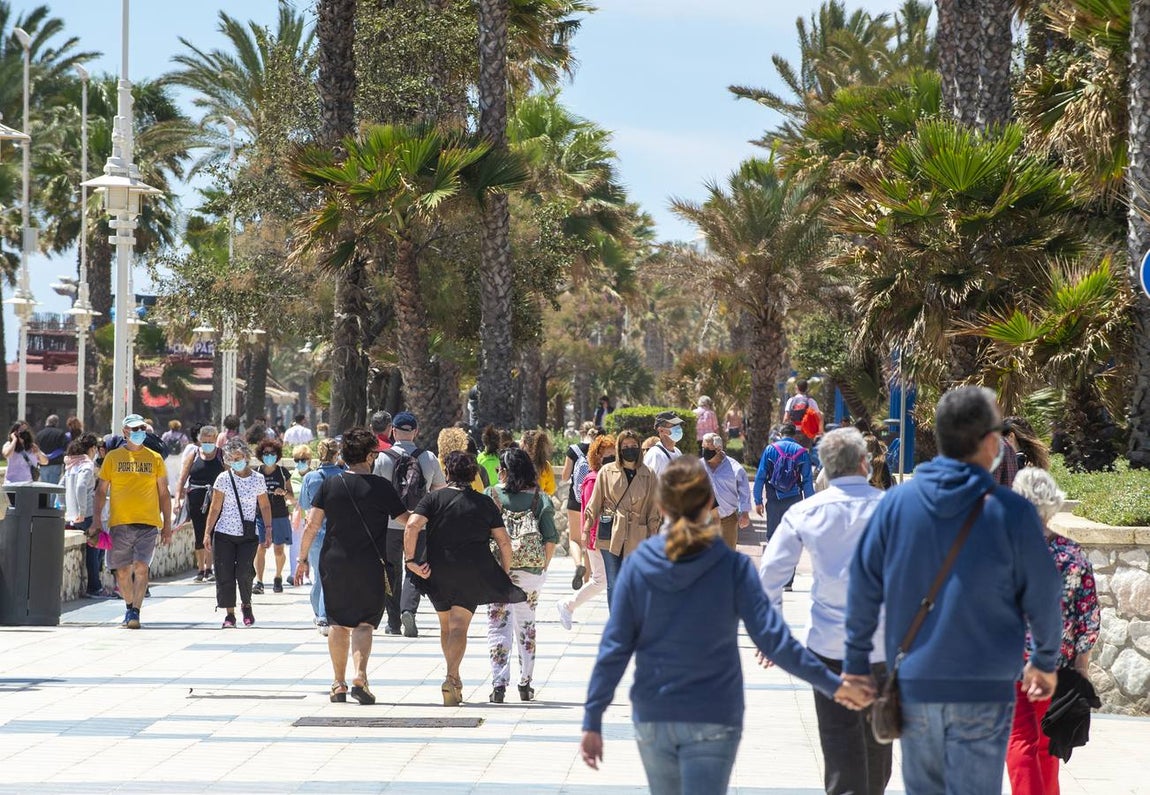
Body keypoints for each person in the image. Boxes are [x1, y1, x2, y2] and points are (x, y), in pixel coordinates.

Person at [580, 457, 874, 795]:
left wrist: (593, 718)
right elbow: (775, 641)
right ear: (709, 503)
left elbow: (614, 649)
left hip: (655, 715)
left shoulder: (638, 567)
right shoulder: (732, 567)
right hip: (714, 714)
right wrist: (834, 685)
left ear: (660, 506)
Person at [844, 386, 1063, 795]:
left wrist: (857, 663)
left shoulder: (896, 504)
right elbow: (1045, 591)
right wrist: (1045, 660)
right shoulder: (1012, 513)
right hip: (984, 689)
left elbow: (862, 585)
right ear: (989, 442)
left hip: (916, 683)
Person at [759, 428, 891, 795]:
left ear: (824, 469)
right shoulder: (893, 509)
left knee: (840, 750)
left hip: (828, 650)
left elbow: (770, 574)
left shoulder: (806, 511)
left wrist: (772, 632)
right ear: (865, 463)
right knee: (878, 752)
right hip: (882, 648)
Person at [294, 427, 410, 704]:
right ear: (370, 456)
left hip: (335, 562)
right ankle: (360, 675)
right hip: (370, 562)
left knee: (337, 622)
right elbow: (408, 521)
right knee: (364, 624)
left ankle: (338, 683)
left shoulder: (329, 485)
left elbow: (312, 525)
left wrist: (301, 560)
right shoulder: (381, 487)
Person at [404, 451, 526, 706]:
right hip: (472, 571)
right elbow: (503, 541)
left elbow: (412, 525)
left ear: (447, 472)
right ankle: (451, 677)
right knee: (459, 626)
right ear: (473, 474)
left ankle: (454, 676)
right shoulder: (484, 503)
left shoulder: (433, 498)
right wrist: (504, 571)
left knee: (446, 626)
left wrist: (410, 560)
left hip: (437, 570)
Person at [1007, 467, 1100, 795]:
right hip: (1057, 663)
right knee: (1047, 740)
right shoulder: (1073, 555)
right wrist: (1081, 667)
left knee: (1019, 739)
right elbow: (1088, 617)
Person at [485, 447, 558, 703]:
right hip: (530, 572)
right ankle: (525, 684)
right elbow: (550, 539)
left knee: (498, 627)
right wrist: (542, 568)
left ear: (504, 471)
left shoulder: (491, 495)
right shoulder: (541, 498)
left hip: (497, 571)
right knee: (526, 626)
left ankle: (498, 685)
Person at [92, 414, 173, 630]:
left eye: (141, 428)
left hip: (148, 523)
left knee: (141, 568)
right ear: (125, 431)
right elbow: (100, 491)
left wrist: (167, 525)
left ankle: (135, 611)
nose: (138, 431)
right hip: (120, 523)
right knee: (123, 571)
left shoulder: (155, 458)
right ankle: (129, 607)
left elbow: (164, 494)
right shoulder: (113, 458)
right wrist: (96, 521)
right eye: (134, 428)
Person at [374, 411, 446, 637]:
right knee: (415, 568)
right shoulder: (428, 458)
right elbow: (439, 490)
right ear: (415, 431)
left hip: (390, 525)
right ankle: (409, 611)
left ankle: (393, 621)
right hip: (420, 525)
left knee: (391, 570)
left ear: (393, 431)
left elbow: (374, 493)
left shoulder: (382, 458)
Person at [582, 429, 661, 608]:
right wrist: (586, 529)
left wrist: (654, 534)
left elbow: (653, 508)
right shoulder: (606, 472)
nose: (630, 449)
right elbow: (594, 503)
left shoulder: (648, 474)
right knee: (614, 583)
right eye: (625, 446)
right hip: (611, 532)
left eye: (633, 446)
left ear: (640, 448)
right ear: (619, 448)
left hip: (638, 535)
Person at [204, 437, 273, 628]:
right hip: (224, 533)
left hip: (247, 534)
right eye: (232, 458)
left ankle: (247, 605)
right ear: (228, 460)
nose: (237, 461)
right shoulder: (223, 479)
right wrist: (207, 532)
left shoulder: (258, 479)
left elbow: (265, 506)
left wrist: (268, 530)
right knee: (224, 573)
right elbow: (215, 508)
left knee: (244, 571)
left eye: (240, 457)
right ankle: (230, 614)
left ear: (246, 457)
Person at [556, 433, 615, 630]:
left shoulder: (610, 476)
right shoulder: (593, 479)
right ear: (597, 456)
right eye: (608, 455)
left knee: (606, 579)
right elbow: (590, 511)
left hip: (610, 536)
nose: (612, 459)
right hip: (599, 537)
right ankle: (568, 605)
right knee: (601, 580)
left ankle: (569, 605)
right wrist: (590, 536)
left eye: (614, 455)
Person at [299, 438, 343, 635]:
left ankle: (319, 613)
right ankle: (324, 616)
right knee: (331, 576)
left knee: (319, 576)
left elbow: (306, 505)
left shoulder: (311, 477)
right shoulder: (343, 475)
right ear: (337, 454)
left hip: (316, 535)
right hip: (338, 533)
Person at [65, 434, 111, 598]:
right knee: (98, 548)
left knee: (100, 547)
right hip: (88, 516)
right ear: (92, 449)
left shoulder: (72, 463)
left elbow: (60, 485)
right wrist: (82, 511)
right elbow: (80, 486)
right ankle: (94, 587)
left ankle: (96, 584)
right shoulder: (87, 464)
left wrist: (64, 508)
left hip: (74, 516)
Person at [175, 425, 223, 582]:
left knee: (212, 533)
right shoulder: (194, 454)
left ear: (215, 440)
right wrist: (177, 499)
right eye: (205, 440)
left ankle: (210, 568)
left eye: (211, 440)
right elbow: (182, 478)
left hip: (216, 499)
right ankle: (200, 568)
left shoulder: (221, 455)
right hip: (196, 499)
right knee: (199, 533)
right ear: (200, 440)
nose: (208, 443)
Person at [753, 422, 814, 542]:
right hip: (794, 499)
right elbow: (807, 481)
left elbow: (760, 476)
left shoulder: (770, 449)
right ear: (794, 435)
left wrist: (758, 501)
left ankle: (771, 558)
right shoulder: (802, 452)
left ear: (780, 434)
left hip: (773, 498)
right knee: (791, 537)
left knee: (772, 536)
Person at [252, 438, 294, 594]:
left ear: (278, 455)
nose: (269, 456)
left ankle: (277, 577)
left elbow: (291, 496)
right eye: (266, 453)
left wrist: (283, 492)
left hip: (279, 514)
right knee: (261, 547)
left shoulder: (283, 472)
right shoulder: (256, 472)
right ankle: (260, 582)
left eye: (272, 453)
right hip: (260, 515)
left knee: (278, 550)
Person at [561, 422, 597, 590]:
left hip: (575, 500)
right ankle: (588, 579)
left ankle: (577, 565)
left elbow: (564, 476)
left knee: (574, 538)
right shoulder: (599, 449)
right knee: (589, 538)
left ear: (581, 432)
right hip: (594, 499)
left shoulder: (574, 450)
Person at [700, 433, 750, 549]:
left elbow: (744, 490)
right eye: (703, 447)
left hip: (728, 520)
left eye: (708, 448)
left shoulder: (734, 468)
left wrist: (745, 513)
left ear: (718, 449)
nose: (705, 451)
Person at [288, 443, 313, 574]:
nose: (300, 462)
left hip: (312, 517)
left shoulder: (315, 475)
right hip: (296, 517)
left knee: (310, 548)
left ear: (309, 460)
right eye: (297, 460)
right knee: (295, 547)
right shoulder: (290, 476)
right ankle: (293, 573)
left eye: (302, 460)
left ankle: (309, 575)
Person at [643, 411, 684, 477]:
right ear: (661, 430)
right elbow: (646, 483)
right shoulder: (655, 454)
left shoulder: (677, 451)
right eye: (673, 425)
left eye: (678, 424)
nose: (678, 428)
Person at [520, 429, 556, 496]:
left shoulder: (518, 462)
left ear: (525, 444)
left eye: (521, 440)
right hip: (538, 502)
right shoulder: (545, 466)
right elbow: (551, 489)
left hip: (520, 501)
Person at [35, 415, 70, 484]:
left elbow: (36, 449)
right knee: (53, 488)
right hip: (56, 463)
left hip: (42, 465)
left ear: (46, 422)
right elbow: (65, 448)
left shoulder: (39, 434)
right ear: (56, 423)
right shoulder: (60, 433)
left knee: (44, 487)